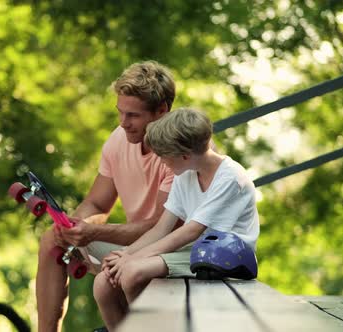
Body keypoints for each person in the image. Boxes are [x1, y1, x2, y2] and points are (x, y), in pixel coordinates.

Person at [36, 60, 179, 332]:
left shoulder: (179, 150)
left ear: (161, 111)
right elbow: (97, 203)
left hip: (169, 250)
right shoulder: (119, 139)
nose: (123, 124)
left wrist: (94, 233)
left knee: (109, 274)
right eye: (120, 113)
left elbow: (162, 227)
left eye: (133, 116)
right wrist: (76, 225)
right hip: (134, 247)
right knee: (52, 241)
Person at [94, 108, 260, 331]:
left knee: (132, 273)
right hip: (192, 250)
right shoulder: (187, 173)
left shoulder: (231, 178)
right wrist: (125, 254)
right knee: (102, 282)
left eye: (164, 156)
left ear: (185, 155)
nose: (162, 162)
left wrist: (133, 260)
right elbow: (162, 227)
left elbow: (191, 231)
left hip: (223, 255)